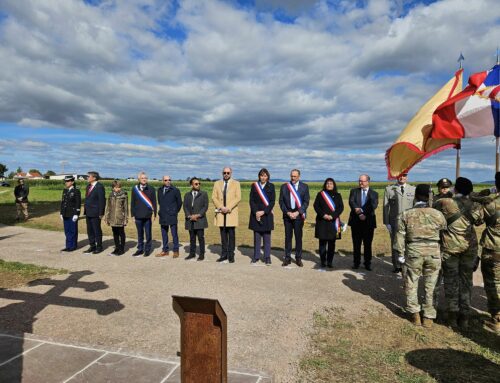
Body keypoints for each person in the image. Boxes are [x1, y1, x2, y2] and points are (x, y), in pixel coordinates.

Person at [394, 184, 447, 328]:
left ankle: (415, 314)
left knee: (411, 282)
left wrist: (400, 254)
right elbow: (444, 233)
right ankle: (428, 317)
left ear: (416, 196)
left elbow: (399, 235)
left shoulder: (406, 214)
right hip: (433, 252)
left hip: (413, 251)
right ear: (429, 197)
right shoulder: (438, 214)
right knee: (431, 285)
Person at [433, 177, 482, 329]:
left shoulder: (445, 203)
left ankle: (452, 317)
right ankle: (465, 317)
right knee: (466, 281)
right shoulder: (475, 205)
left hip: (450, 247)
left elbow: (436, 216)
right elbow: (479, 221)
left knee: (451, 281)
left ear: (456, 189)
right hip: (469, 247)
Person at [470, 172, 500, 332]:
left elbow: (476, 219)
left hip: (493, 249)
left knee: (493, 283)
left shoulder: (490, 203)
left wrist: (482, 196)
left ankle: (496, 318)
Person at [383, 173, 416, 273]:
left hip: (410, 222)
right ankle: (397, 265)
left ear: (407, 177)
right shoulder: (389, 189)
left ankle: (407, 264)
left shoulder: (413, 189)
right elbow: (385, 207)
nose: (402, 178)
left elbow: (415, 206)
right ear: (397, 177)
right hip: (394, 222)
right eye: (400, 176)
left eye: (404, 175)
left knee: (409, 243)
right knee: (395, 243)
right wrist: (386, 222)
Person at [279, 169, 310, 267]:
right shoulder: (284, 187)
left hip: (298, 216)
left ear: (299, 177)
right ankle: (287, 258)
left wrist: (297, 212)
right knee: (288, 238)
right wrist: (287, 212)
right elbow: (281, 202)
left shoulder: (304, 187)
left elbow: (306, 202)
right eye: (291, 176)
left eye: (295, 176)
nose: (293, 178)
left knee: (298, 238)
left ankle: (298, 258)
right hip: (287, 216)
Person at [348, 174, 378, 271]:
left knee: (367, 244)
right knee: (356, 244)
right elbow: (352, 202)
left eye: (363, 181)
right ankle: (356, 263)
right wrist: (360, 214)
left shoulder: (374, 193)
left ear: (368, 182)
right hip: (356, 222)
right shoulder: (354, 191)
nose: (361, 182)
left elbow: (373, 205)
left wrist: (363, 213)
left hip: (368, 222)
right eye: (360, 180)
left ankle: (367, 263)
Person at [212, 167, 241, 263]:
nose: (226, 174)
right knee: (223, 235)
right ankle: (224, 254)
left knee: (231, 235)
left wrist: (228, 208)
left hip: (230, 213)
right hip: (221, 213)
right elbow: (214, 197)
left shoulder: (236, 183)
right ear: (222, 173)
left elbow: (238, 197)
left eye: (228, 173)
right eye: (224, 172)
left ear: (231, 173)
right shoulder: (217, 183)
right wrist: (221, 207)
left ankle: (231, 255)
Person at [313, 178, 344, 268]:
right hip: (322, 221)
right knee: (322, 243)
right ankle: (323, 261)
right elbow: (316, 206)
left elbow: (340, 207)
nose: (329, 185)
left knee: (332, 243)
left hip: (334, 222)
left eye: (330, 183)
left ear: (334, 185)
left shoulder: (338, 195)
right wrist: (324, 215)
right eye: (327, 183)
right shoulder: (320, 194)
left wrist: (333, 216)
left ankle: (330, 261)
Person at [249, 168, 275, 265]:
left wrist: (264, 212)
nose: (263, 177)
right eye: (261, 175)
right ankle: (256, 257)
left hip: (266, 214)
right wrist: (256, 212)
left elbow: (272, 202)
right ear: (259, 176)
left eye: (265, 176)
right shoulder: (254, 186)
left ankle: (267, 257)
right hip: (256, 215)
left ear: (267, 177)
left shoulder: (271, 186)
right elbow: (251, 200)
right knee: (257, 237)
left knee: (267, 238)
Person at [131, 171, 157, 257]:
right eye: (142, 178)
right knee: (140, 233)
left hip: (147, 215)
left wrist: (155, 214)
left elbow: (154, 202)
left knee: (148, 234)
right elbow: (132, 202)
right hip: (138, 215)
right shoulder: (135, 189)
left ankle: (147, 250)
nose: (144, 179)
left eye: (145, 178)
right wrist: (132, 215)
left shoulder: (151, 189)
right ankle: (140, 249)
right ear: (139, 179)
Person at [183, 177, 209, 261]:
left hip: (200, 220)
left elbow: (205, 206)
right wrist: (189, 216)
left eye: (199, 183)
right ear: (192, 185)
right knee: (192, 238)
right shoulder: (187, 195)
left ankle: (201, 254)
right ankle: (192, 253)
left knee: (201, 238)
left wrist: (198, 215)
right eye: (196, 184)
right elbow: (185, 206)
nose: (198, 185)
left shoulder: (204, 194)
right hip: (190, 220)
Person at [157, 175, 182, 258]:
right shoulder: (159, 190)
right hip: (163, 215)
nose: (168, 181)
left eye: (169, 180)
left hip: (172, 215)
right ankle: (165, 250)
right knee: (164, 234)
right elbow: (160, 202)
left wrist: (174, 211)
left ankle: (176, 250)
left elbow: (179, 203)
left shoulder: (175, 190)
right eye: (166, 180)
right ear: (163, 181)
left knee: (174, 234)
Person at [83, 171, 106, 254]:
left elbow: (102, 201)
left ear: (94, 178)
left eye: (88, 176)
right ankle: (92, 246)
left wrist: (101, 213)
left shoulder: (99, 187)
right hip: (88, 212)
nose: (87, 178)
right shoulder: (88, 186)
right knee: (90, 230)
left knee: (96, 230)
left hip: (96, 213)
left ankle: (99, 247)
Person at [104, 180, 128, 256]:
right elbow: (108, 207)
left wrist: (126, 218)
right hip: (112, 217)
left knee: (121, 233)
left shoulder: (123, 195)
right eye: (116, 187)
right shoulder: (110, 195)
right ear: (113, 187)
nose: (118, 189)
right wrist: (106, 217)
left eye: (119, 187)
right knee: (115, 233)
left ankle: (122, 248)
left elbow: (126, 208)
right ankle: (117, 248)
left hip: (120, 217)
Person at [60, 175, 81, 252]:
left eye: (68, 181)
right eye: (65, 181)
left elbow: (78, 203)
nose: (66, 183)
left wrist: (76, 213)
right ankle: (68, 246)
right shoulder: (65, 191)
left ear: (72, 182)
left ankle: (73, 246)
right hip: (65, 213)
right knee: (67, 231)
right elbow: (63, 203)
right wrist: (61, 213)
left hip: (72, 214)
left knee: (73, 230)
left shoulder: (76, 191)